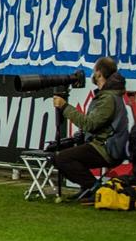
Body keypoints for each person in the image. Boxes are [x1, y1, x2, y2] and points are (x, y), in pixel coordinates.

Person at [52, 57, 127, 202]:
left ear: (99, 74)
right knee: (65, 154)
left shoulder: (108, 98)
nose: (92, 76)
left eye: (94, 72)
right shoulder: (108, 95)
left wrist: (65, 107)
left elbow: (90, 125)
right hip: (104, 145)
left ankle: (95, 189)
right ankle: (87, 189)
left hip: (106, 148)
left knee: (62, 158)